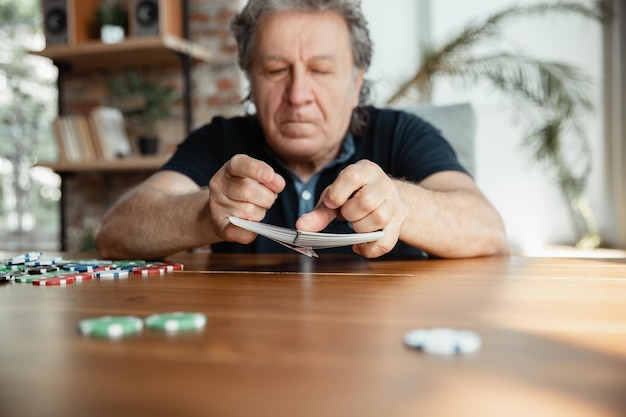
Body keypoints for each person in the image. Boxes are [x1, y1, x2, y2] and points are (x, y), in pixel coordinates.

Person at [96, 0, 509, 260]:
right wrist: (204, 213)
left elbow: (489, 230)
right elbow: (114, 233)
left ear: (356, 82)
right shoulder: (221, 141)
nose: (297, 94)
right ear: (251, 82)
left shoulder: (403, 134)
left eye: (321, 70)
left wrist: (403, 204)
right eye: (276, 70)